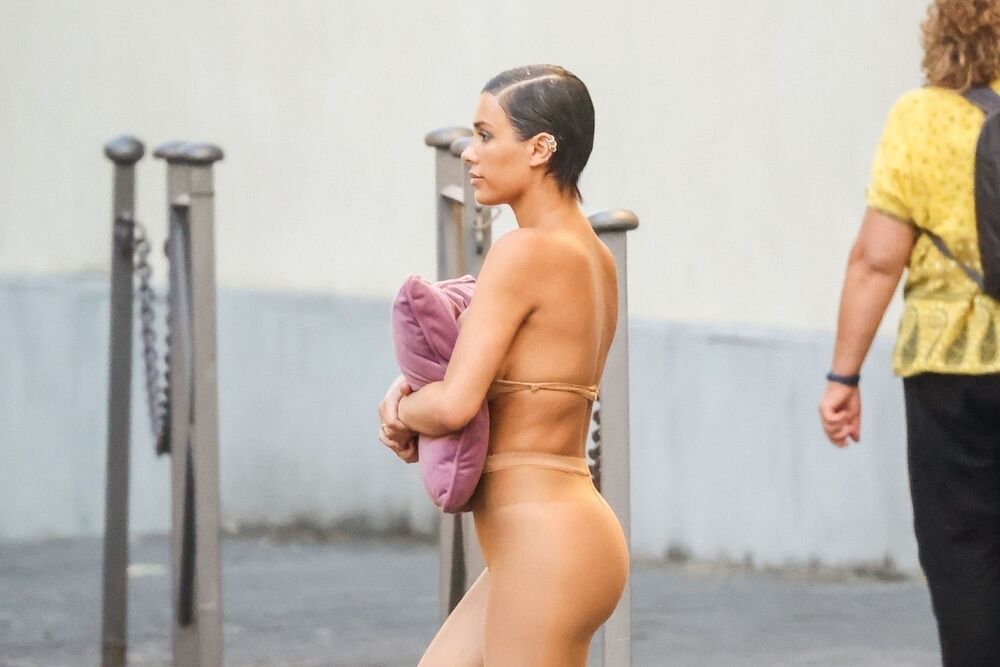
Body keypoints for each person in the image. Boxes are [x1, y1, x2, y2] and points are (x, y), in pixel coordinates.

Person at [377, 64, 628, 666]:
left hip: (546, 547)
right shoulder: (595, 257)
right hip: (559, 537)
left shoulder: (523, 251)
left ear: (540, 148)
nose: (470, 152)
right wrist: (412, 396)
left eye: (487, 136)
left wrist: (402, 412)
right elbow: (500, 372)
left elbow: (456, 402)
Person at [819, 2, 1000, 664]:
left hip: (948, 368)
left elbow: (876, 260)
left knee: (963, 554)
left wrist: (843, 376)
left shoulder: (919, 118)